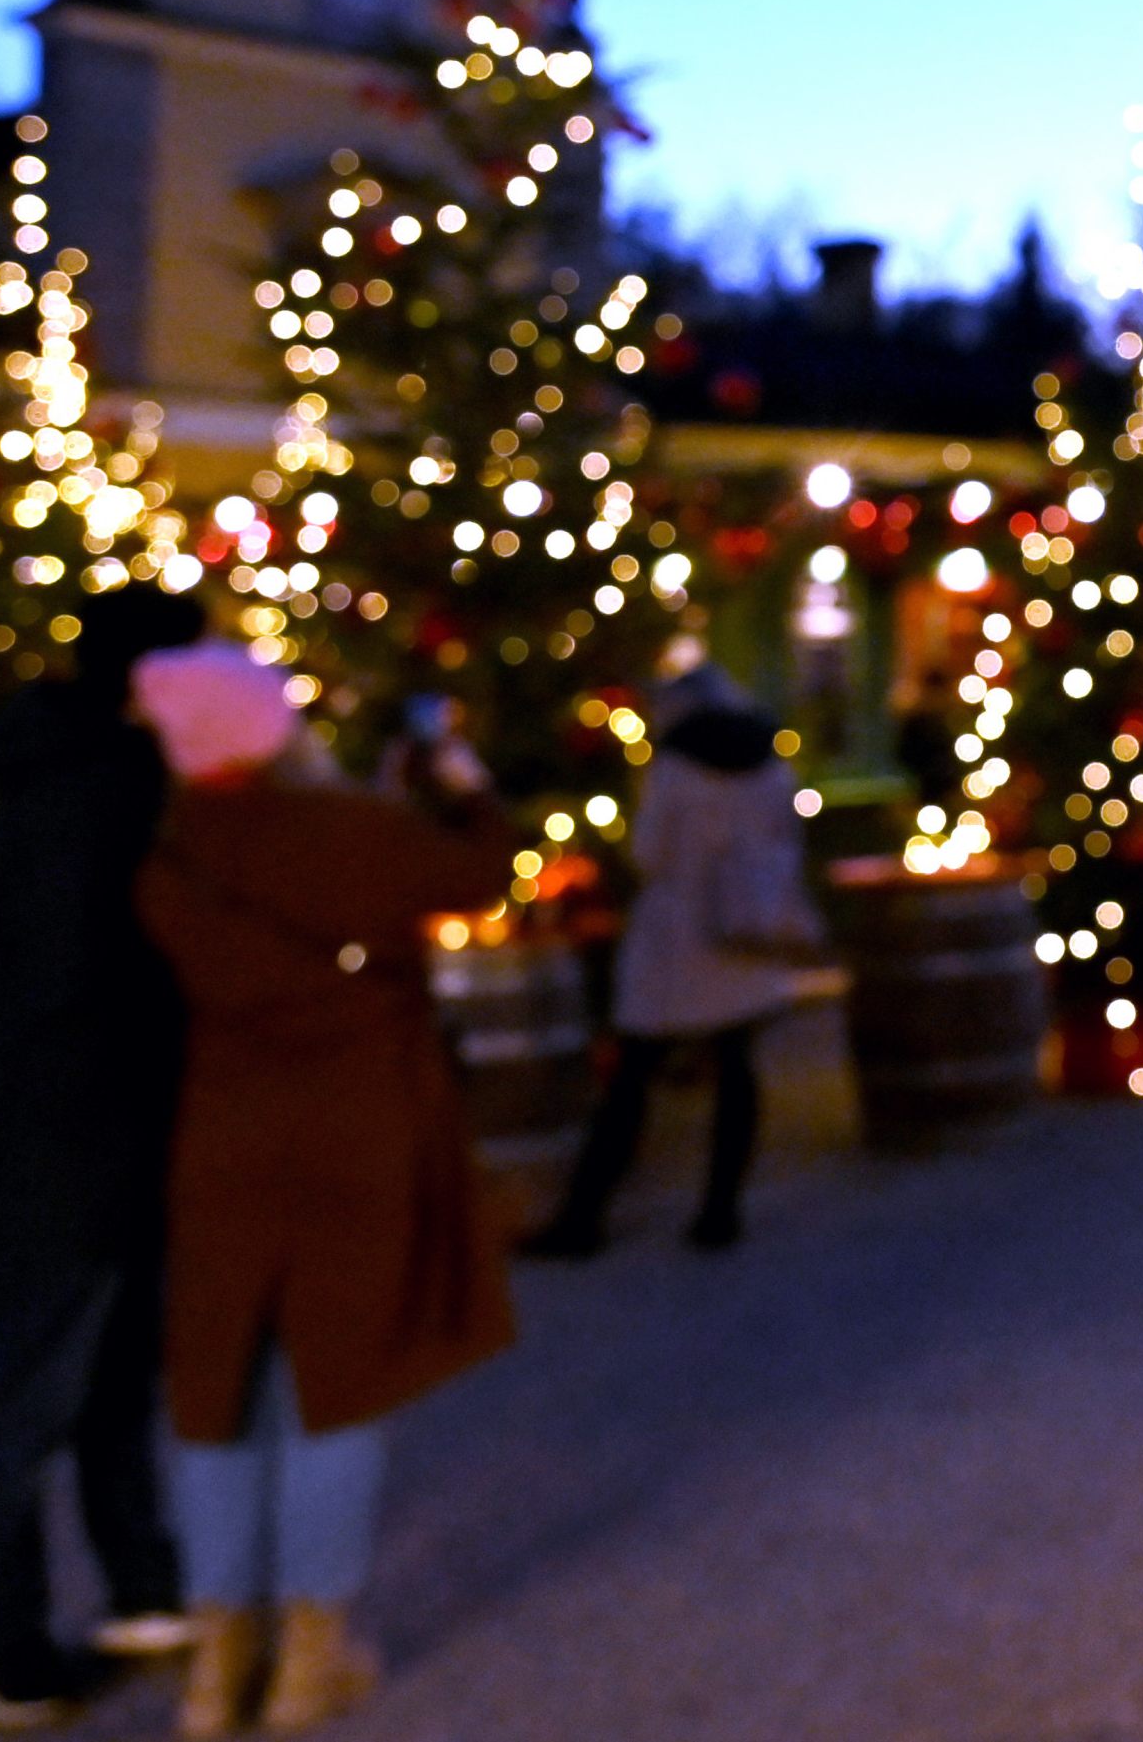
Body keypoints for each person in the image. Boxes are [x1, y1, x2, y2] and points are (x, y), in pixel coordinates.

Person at [131, 642, 517, 1736]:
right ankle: (307, 1658)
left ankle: (216, 1669)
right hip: (360, 1129)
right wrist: (465, 789)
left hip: (227, 1133)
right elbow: (478, 871)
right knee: (334, 1389)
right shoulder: (358, 834)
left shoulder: (169, 852)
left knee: (215, 1399)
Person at [0, 586, 206, 1729]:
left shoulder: (66, 771)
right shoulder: (106, 789)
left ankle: (140, 1585)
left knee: (107, 1363)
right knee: (36, 1386)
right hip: (71, 1123)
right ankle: (8, 1648)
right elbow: (80, 975)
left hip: (71, 1113)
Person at [523, 664, 819, 1259]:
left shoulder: (675, 768)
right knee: (737, 1068)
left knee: (632, 1073)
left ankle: (584, 1216)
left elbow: (649, 853)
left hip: (676, 941)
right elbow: (788, 838)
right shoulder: (770, 763)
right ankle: (720, 1211)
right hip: (746, 934)